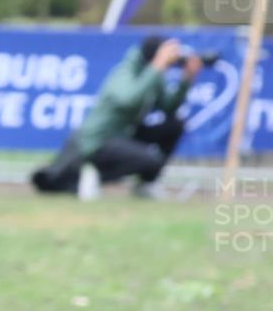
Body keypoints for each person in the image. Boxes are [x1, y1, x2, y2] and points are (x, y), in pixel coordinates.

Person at [31, 35, 203, 200]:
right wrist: (157, 66)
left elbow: (168, 107)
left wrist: (187, 79)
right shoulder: (125, 72)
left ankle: (145, 185)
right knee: (151, 160)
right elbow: (128, 99)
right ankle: (90, 174)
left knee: (174, 126)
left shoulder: (154, 73)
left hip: (126, 133)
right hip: (99, 140)